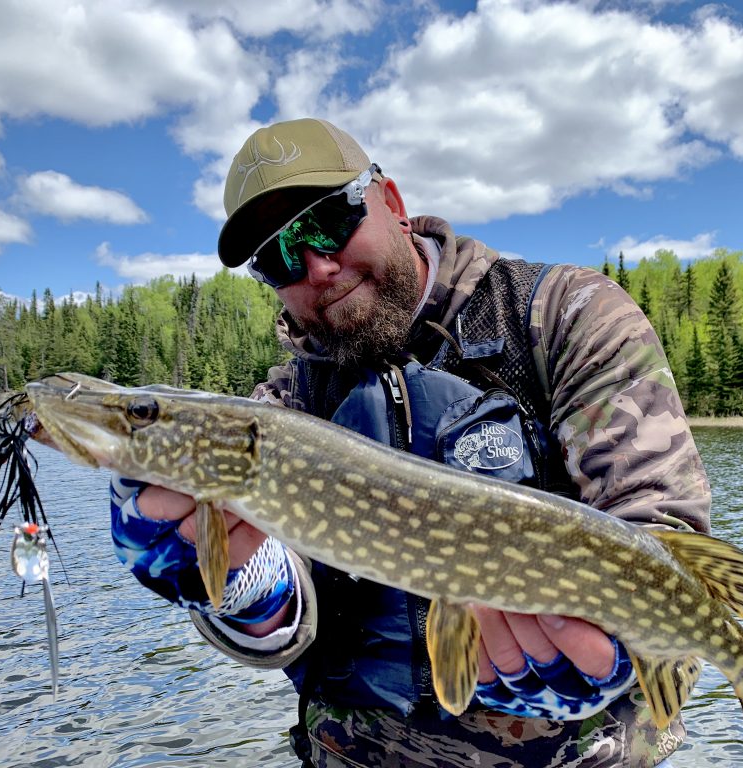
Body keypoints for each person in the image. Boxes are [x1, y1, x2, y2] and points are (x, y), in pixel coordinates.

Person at [109, 118, 711, 767]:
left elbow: (662, 534)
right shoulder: (284, 410)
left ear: (391, 202)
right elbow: (280, 628)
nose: (316, 264)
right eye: (279, 257)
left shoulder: (561, 315)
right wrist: (243, 585)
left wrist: (622, 649)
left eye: (330, 220)